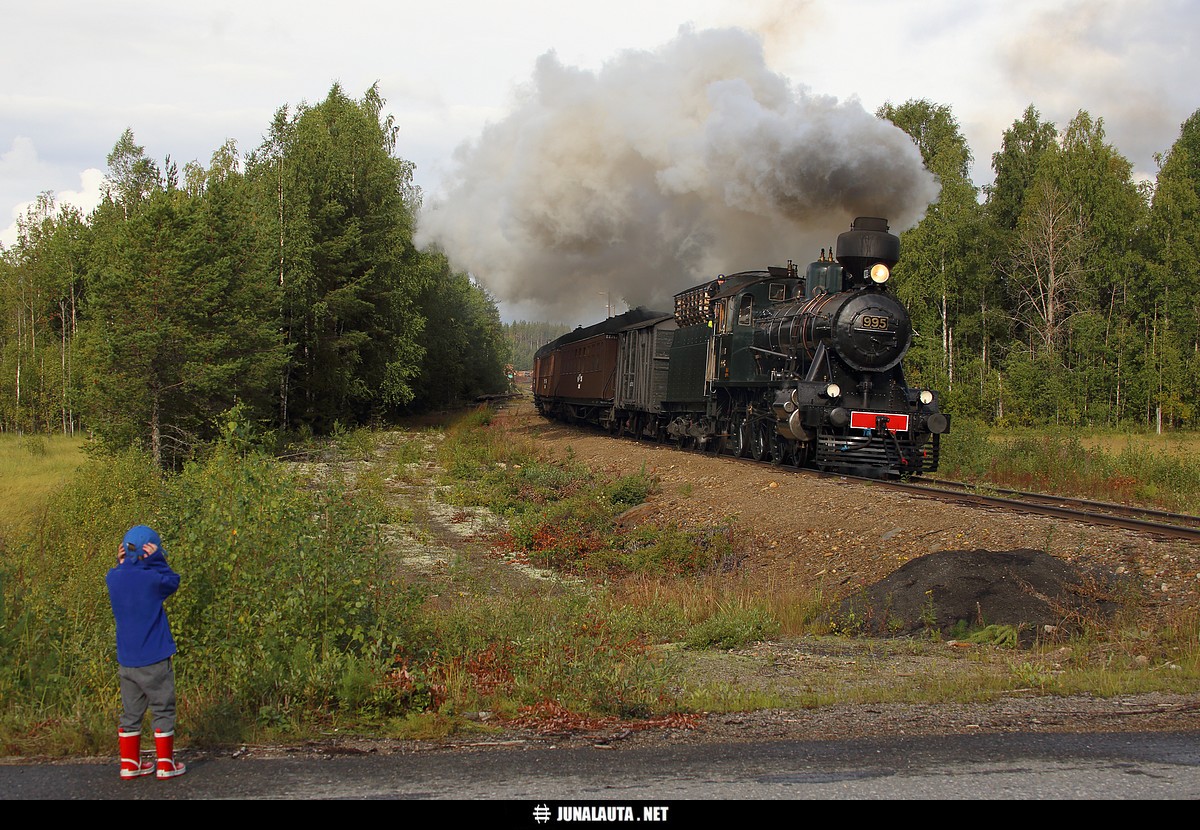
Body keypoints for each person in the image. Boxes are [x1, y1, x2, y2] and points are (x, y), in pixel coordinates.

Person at [106, 524, 186, 780]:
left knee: (131, 713)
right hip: (154, 656)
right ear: (150, 551)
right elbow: (173, 582)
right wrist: (158, 561)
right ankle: (165, 764)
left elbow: (123, 572)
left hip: (127, 660)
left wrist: (126, 563)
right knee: (162, 708)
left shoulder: (113, 578)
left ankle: (129, 764)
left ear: (124, 551)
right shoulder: (153, 579)